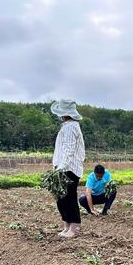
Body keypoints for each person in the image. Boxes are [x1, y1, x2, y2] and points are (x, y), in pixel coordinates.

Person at [51, 99, 85, 238]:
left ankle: (74, 226)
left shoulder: (71, 127)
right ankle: (67, 224)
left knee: (69, 197)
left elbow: (69, 149)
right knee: (61, 198)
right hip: (62, 167)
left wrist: (62, 167)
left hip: (69, 169)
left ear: (64, 113)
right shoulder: (67, 126)